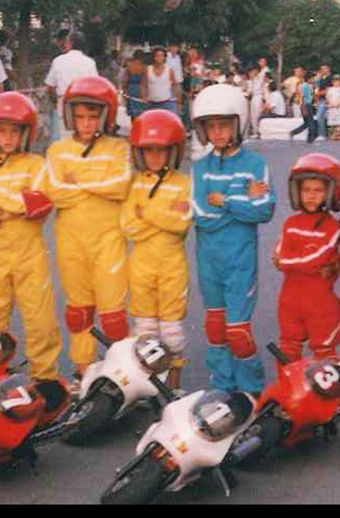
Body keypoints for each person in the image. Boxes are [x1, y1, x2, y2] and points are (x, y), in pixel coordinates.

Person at [0, 91, 65, 395]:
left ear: (26, 133)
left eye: (14, 131)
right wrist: (15, 201)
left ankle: (45, 377)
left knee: (40, 319)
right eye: (2, 131)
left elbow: (38, 205)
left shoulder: (37, 164)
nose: (7, 138)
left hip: (30, 254)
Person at [43, 76, 132, 384]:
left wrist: (78, 181)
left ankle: (122, 371)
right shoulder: (57, 150)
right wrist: (97, 185)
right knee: (79, 311)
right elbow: (55, 192)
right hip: (70, 241)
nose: (85, 123)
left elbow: (121, 186)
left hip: (109, 239)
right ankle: (84, 370)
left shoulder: (118, 148)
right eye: (79, 116)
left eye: (93, 116)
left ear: (106, 116)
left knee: (113, 315)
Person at [190, 84, 276, 395]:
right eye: (210, 126)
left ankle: (252, 388)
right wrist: (241, 202)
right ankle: (222, 385)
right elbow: (200, 214)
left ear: (238, 123)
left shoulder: (255, 165)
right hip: (208, 259)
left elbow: (264, 209)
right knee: (215, 327)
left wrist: (225, 201)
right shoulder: (200, 167)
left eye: (224, 125)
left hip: (240, 260)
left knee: (237, 331)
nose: (217, 132)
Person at [121, 109, 192, 392]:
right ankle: (147, 388)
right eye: (149, 150)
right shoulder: (135, 183)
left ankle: (174, 386)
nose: (155, 156)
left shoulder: (183, 183)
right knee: (145, 329)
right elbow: (129, 226)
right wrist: (164, 215)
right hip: (140, 265)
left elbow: (181, 223)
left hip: (172, 265)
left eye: (161, 150)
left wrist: (147, 213)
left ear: (174, 151)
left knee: (172, 332)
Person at [272, 153, 340, 374]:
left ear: (332, 192)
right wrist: (300, 260)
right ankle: (289, 391)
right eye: (305, 190)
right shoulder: (291, 223)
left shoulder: (333, 226)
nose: (311, 196)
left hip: (320, 303)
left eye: (318, 190)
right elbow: (280, 256)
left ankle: (326, 393)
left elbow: (318, 257)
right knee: (288, 349)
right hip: (289, 301)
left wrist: (293, 260)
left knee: (324, 351)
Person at [44, 30, 98, 140]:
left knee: (65, 136)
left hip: (64, 102)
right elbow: (95, 86)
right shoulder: (89, 63)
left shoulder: (58, 61)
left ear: (69, 43)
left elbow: (50, 87)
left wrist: (55, 101)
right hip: (84, 104)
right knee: (83, 135)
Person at [143, 46, 178, 114]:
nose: (159, 58)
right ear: (153, 57)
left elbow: (175, 84)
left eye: (161, 56)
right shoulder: (148, 69)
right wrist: (144, 96)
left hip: (166, 103)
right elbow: (143, 84)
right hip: (152, 104)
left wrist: (174, 97)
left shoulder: (169, 70)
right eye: (157, 56)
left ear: (164, 57)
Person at [289, 73, 319, 143]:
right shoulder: (304, 86)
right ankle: (310, 138)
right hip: (306, 105)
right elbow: (302, 97)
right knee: (311, 122)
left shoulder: (310, 86)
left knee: (307, 123)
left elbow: (311, 96)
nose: (313, 80)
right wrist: (303, 107)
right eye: (312, 78)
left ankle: (293, 132)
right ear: (308, 79)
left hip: (309, 104)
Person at [326, 75, 340, 141]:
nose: (336, 82)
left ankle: (338, 137)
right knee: (331, 123)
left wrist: (338, 104)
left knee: (339, 123)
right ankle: (331, 136)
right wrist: (331, 104)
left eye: (337, 81)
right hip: (331, 108)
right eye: (334, 81)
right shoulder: (330, 89)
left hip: (339, 108)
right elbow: (328, 98)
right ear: (332, 82)